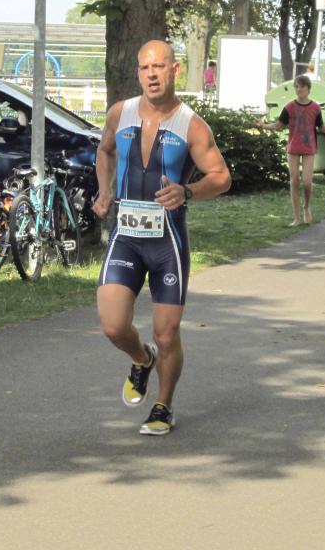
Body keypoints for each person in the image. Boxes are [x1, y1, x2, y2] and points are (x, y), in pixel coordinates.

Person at [92, 40, 231, 436]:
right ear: (138, 73)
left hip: (167, 242)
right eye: (144, 67)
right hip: (125, 236)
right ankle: (142, 359)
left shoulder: (192, 125)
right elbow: (105, 151)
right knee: (113, 325)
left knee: (166, 334)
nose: (151, 74)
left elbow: (221, 177)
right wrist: (104, 191)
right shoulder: (120, 113)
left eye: (158, 66)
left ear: (174, 69)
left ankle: (163, 405)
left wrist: (187, 191)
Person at [257, 75, 325, 226]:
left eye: (302, 86)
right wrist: (263, 126)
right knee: (294, 181)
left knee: (307, 182)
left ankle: (306, 207)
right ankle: (297, 217)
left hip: (309, 147)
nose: (299, 89)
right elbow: (278, 125)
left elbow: (321, 126)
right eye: (296, 86)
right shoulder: (289, 107)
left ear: (308, 89)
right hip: (293, 148)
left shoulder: (315, 108)